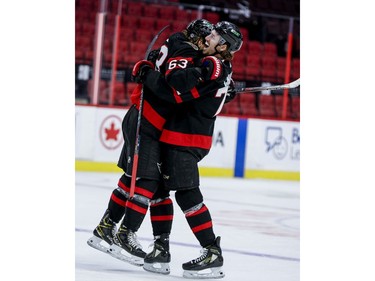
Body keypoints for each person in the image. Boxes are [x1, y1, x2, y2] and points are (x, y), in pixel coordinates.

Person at [87, 19, 220, 266]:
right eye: (208, 39)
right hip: (145, 120)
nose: (209, 44)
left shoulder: (177, 45)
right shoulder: (185, 50)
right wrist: (203, 82)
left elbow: (161, 70)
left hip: (146, 118)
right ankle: (125, 234)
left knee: (133, 179)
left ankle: (106, 227)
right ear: (198, 39)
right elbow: (171, 90)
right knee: (147, 180)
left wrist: (216, 87)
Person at [140, 21, 243, 279]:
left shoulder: (213, 64)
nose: (209, 36)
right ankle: (160, 248)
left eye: (215, 34)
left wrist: (155, 72)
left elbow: (178, 89)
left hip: (187, 138)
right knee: (160, 191)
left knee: (187, 194)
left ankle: (212, 252)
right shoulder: (216, 65)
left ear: (223, 46)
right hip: (179, 135)